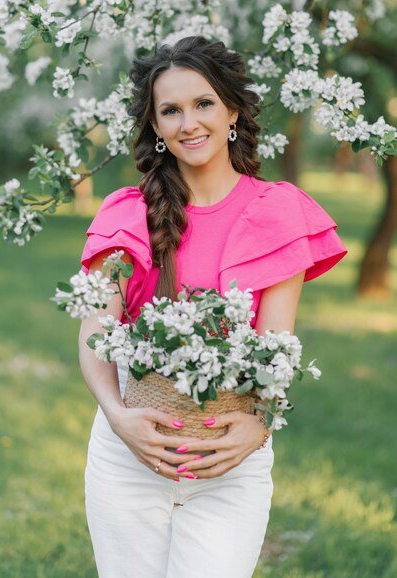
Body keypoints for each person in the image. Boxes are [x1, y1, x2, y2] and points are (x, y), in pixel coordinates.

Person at [78, 35, 348, 578]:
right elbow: (94, 332)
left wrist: (261, 426)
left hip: (231, 460)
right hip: (129, 457)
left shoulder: (277, 212)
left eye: (202, 103)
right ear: (155, 127)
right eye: (170, 110)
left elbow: (276, 347)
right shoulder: (126, 214)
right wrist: (118, 417)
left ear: (231, 110)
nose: (188, 122)